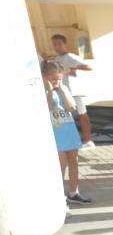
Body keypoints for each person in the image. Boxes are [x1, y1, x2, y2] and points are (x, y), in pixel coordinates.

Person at [42, 61, 91, 206]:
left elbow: (70, 108)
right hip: (57, 134)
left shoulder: (63, 89)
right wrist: (50, 91)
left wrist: (62, 90)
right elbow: (50, 109)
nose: (57, 82)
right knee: (61, 165)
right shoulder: (44, 92)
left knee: (74, 162)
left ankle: (74, 192)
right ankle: (59, 196)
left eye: (59, 79)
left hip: (69, 131)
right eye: (53, 79)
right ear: (45, 77)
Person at [51, 34, 95, 150]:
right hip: (63, 92)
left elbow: (89, 67)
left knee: (82, 114)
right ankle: (71, 141)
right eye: (54, 44)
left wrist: (73, 68)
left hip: (75, 91)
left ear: (65, 44)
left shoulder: (70, 56)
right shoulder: (57, 59)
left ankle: (88, 141)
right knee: (67, 116)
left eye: (59, 44)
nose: (57, 47)